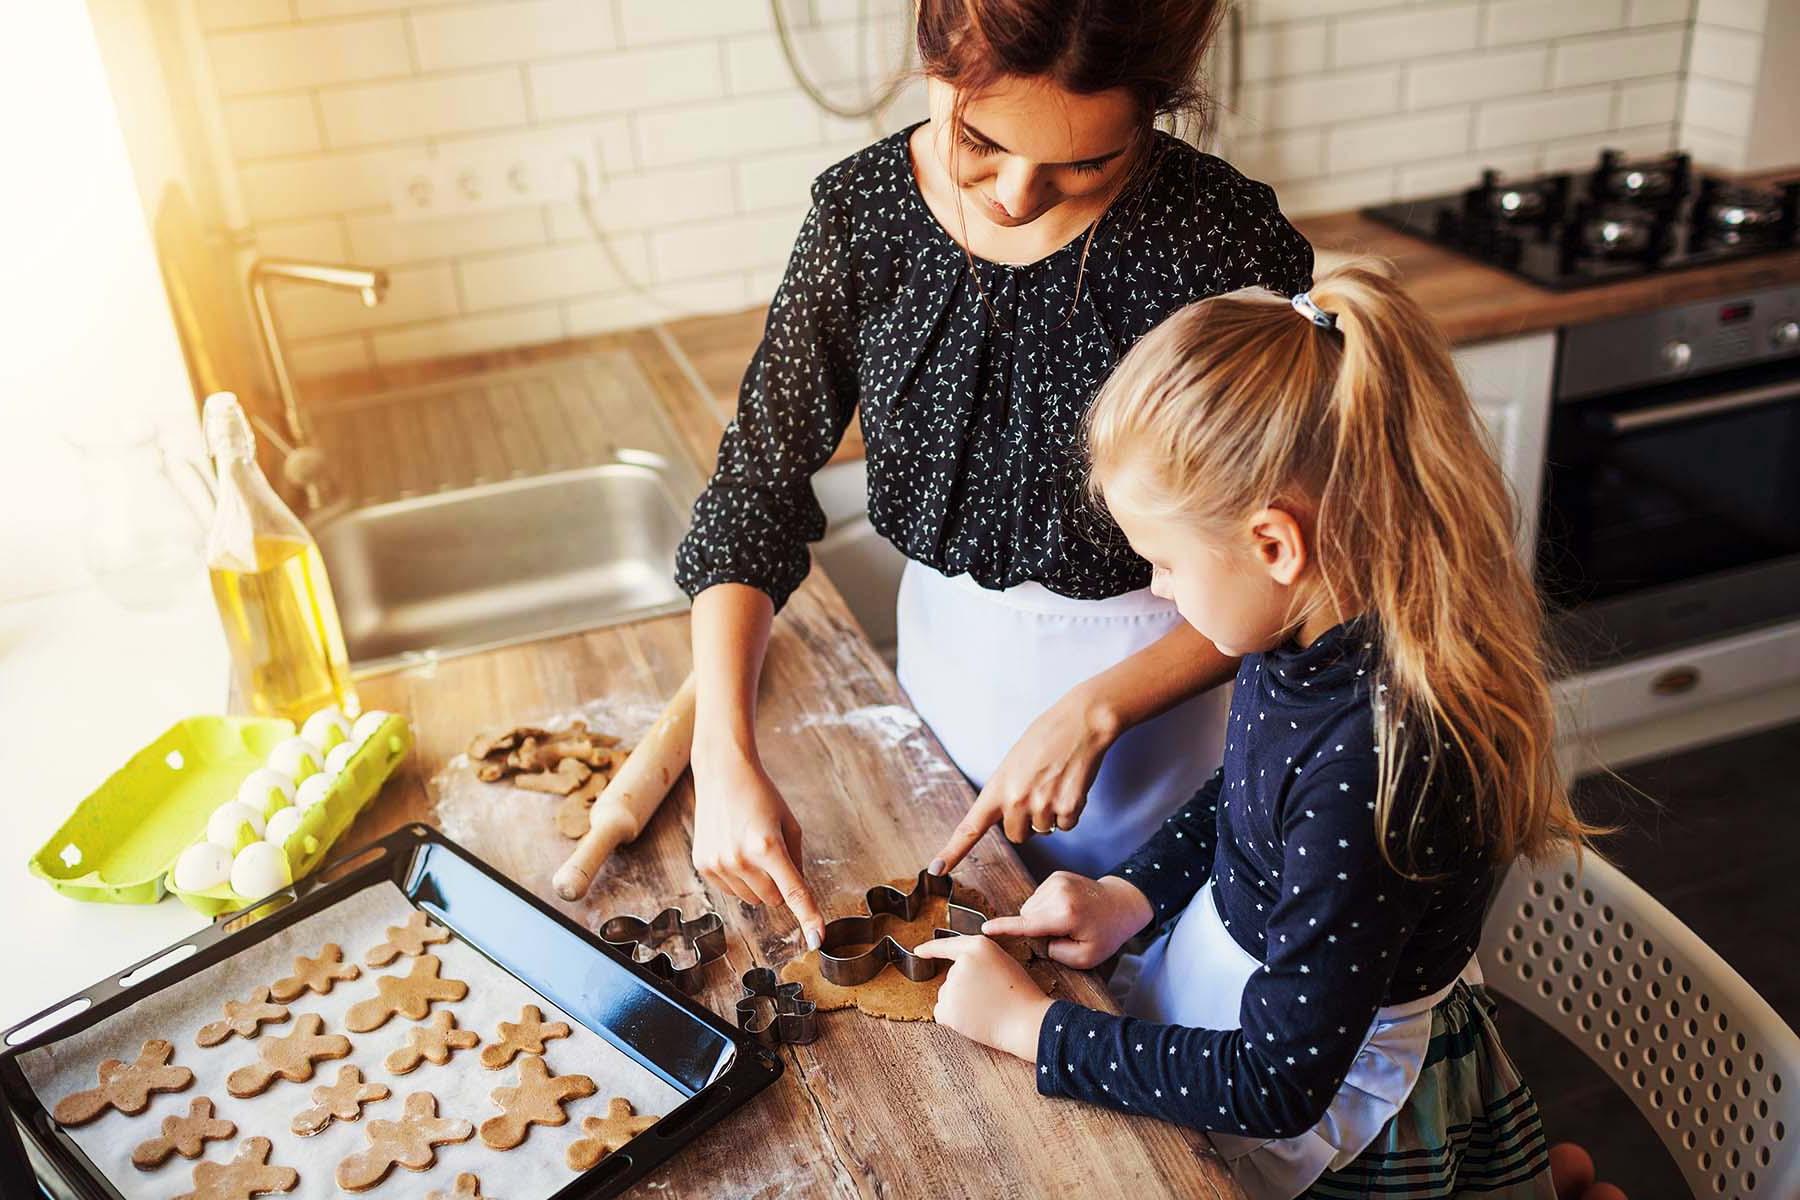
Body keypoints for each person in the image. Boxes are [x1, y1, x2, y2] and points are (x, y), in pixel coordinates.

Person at [913, 265, 1595, 1199]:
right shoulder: (1307, 630)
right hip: (1246, 1006)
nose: (1159, 590)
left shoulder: (1384, 757)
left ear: (1275, 544)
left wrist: (1033, 1029)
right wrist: (1129, 893)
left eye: (1162, 563)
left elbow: (1276, 1086)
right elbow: (1243, 793)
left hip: (1344, 1127)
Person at [676, 0, 1312, 946]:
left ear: (1153, 111)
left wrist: (1104, 707)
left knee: (1136, 1005)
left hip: (1169, 720)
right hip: (940, 690)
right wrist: (722, 756)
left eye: (1086, 161)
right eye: (980, 141)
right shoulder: (863, 216)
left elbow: (1311, 567)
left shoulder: (1212, 237)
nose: (1017, 193)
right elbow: (754, 493)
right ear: (932, 61)